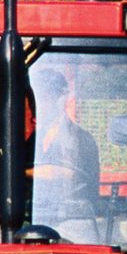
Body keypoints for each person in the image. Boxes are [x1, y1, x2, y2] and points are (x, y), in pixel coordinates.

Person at [29, 67, 101, 211]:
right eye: (36, 98)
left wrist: (17, 173)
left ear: (61, 98)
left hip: (73, 218)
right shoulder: (34, 138)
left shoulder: (79, 138)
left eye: (44, 97)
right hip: (40, 215)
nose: (39, 104)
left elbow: (63, 172)